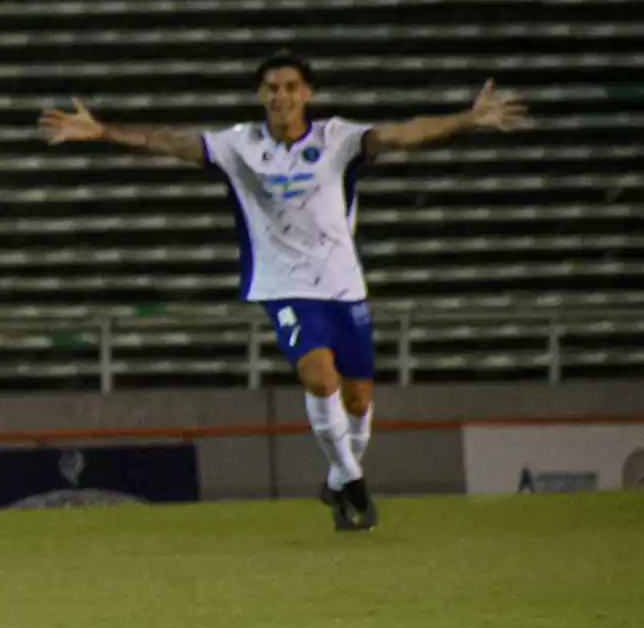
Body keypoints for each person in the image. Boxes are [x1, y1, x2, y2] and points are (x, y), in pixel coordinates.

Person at [37, 52, 527, 530]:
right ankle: (353, 480)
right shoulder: (239, 145)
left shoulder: (338, 139)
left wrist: (468, 119)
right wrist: (102, 131)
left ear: (306, 94)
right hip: (283, 285)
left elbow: (405, 133)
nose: (281, 96)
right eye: (272, 87)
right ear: (260, 94)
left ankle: (339, 474)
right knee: (319, 378)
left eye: (291, 87)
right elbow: (168, 142)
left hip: (342, 283)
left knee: (358, 400)